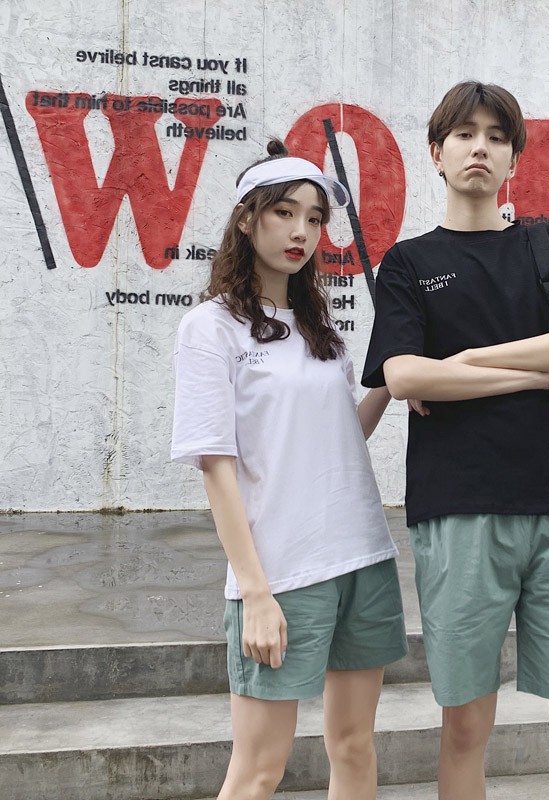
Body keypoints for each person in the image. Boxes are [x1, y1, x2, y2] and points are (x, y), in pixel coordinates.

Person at [362, 81, 549, 800]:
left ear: (514, 159)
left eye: (497, 137)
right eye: (465, 134)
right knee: (466, 728)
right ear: (436, 153)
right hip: (459, 510)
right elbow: (405, 375)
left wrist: (469, 362)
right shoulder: (408, 263)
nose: (481, 147)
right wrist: (533, 372)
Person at [171, 140, 407, 800]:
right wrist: (255, 594)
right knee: (258, 770)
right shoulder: (211, 328)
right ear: (246, 219)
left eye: (314, 217)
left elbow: (339, 439)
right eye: (284, 213)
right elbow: (216, 468)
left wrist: (390, 382)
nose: (302, 230)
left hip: (363, 558)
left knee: (354, 748)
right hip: (282, 572)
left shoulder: (317, 328)